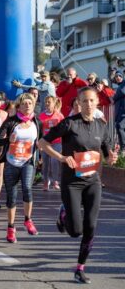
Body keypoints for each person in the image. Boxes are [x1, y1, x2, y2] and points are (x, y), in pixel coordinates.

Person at [38, 87, 118, 284]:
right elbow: (42, 143)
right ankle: (63, 212)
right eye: (84, 101)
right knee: (75, 231)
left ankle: (80, 268)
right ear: (78, 104)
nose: (88, 104)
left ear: (97, 102)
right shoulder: (69, 124)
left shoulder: (101, 125)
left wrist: (111, 158)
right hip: (72, 182)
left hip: (93, 181)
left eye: (91, 101)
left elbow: (107, 156)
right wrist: (62, 158)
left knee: (91, 226)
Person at [0, 93, 42, 243]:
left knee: (27, 187)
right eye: (24, 103)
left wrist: (40, 153)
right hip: (12, 162)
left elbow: (42, 140)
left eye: (30, 103)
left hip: (28, 162)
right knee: (11, 196)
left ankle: (28, 220)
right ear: (19, 105)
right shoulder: (11, 122)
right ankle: (11, 228)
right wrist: (9, 139)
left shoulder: (37, 122)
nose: (27, 106)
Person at [38, 96, 64, 191]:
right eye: (46, 102)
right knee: (45, 162)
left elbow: (63, 129)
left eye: (49, 102)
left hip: (57, 142)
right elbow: (39, 131)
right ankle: (45, 181)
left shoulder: (59, 116)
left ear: (54, 104)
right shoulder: (41, 116)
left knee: (54, 161)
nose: (47, 104)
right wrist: (40, 143)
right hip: (45, 142)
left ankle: (55, 181)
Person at [112, 72, 125, 155]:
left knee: (120, 127)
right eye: (116, 76)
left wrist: (114, 97)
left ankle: (123, 148)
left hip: (123, 112)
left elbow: (122, 92)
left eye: (119, 76)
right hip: (119, 112)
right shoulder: (119, 86)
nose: (118, 77)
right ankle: (122, 148)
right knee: (119, 127)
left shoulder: (123, 84)